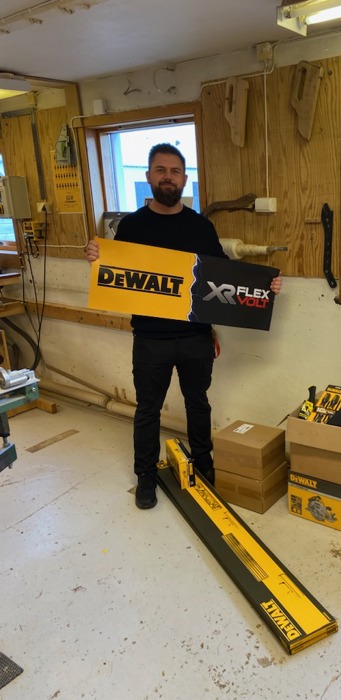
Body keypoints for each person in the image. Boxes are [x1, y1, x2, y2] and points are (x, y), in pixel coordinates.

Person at [86, 143, 282, 509]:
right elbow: (113, 270)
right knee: (148, 410)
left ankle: (204, 464)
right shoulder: (131, 226)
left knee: (198, 404)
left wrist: (264, 286)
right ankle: (146, 476)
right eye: (161, 170)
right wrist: (97, 257)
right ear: (149, 177)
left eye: (174, 171)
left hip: (195, 336)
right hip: (150, 338)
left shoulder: (200, 226)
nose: (168, 177)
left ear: (184, 179)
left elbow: (225, 276)